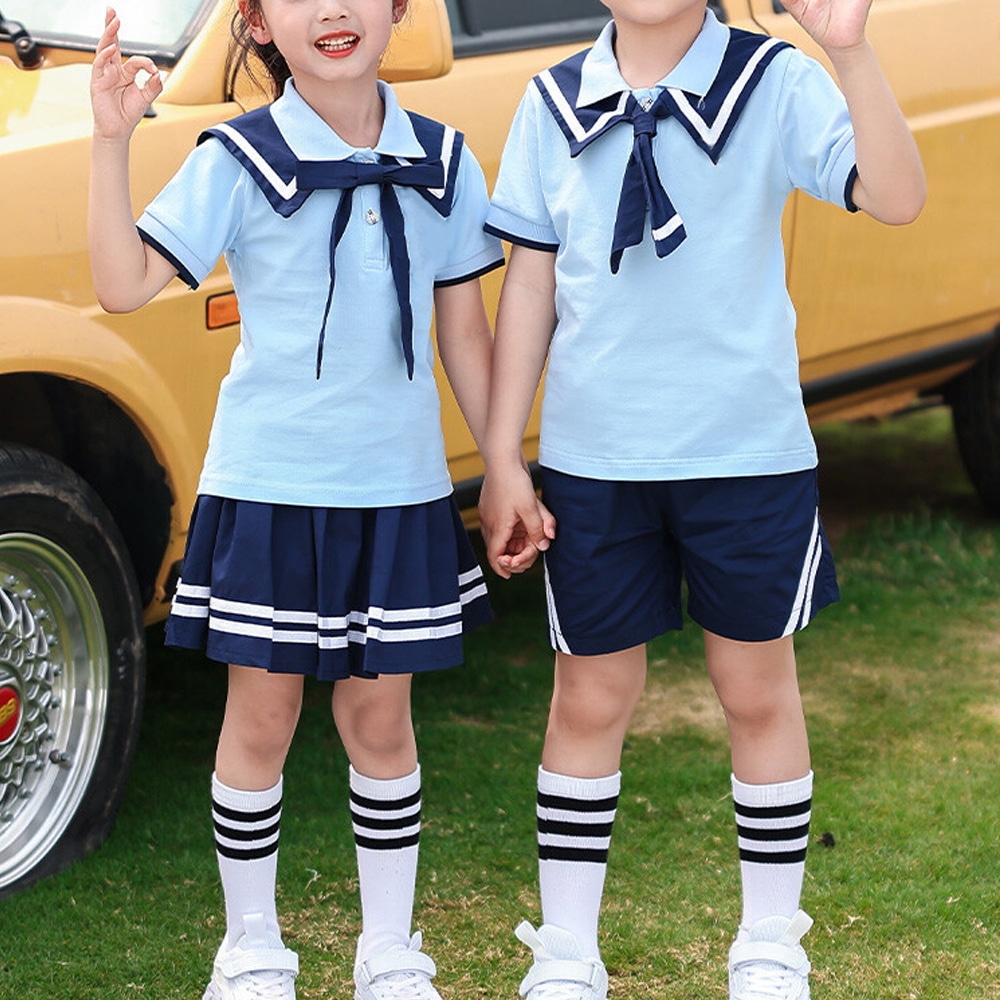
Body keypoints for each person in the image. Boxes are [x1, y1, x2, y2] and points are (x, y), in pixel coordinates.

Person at [478, 0, 925, 997]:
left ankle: (769, 942)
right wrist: (503, 454)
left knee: (755, 689)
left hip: (745, 454)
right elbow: (531, 285)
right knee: (587, 695)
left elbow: (897, 196)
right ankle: (567, 948)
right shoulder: (550, 102)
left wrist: (850, 53)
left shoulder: (774, 81)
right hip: (596, 461)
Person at [89, 3, 504, 999]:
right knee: (262, 718)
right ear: (259, 21)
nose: (332, 10)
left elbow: (465, 334)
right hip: (270, 486)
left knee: (381, 722)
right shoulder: (237, 159)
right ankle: (251, 948)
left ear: (397, 9)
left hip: (397, 490)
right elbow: (122, 284)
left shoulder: (445, 159)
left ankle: (388, 948)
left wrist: (506, 466)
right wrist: (110, 143)